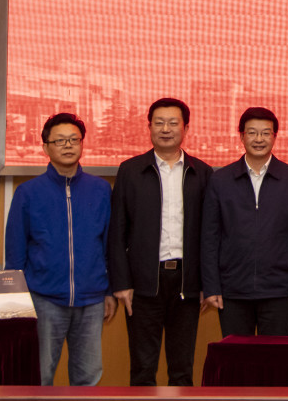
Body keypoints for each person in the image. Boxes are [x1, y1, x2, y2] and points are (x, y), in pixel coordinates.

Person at [5, 112, 116, 386]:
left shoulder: (101, 190)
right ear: (45, 147)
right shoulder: (28, 193)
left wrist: (109, 292)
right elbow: (15, 251)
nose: (67, 145)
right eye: (59, 140)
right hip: (43, 300)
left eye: (73, 140)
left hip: (91, 300)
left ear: (82, 144)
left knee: (88, 378)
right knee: (39, 377)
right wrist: (17, 302)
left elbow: (110, 246)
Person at [108, 98, 212, 386]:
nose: (166, 129)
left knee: (182, 368)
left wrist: (208, 283)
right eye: (159, 123)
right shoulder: (130, 170)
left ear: (185, 128)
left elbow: (210, 234)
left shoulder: (202, 173)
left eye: (173, 123)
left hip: (187, 282)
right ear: (149, 127)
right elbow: (117, 231)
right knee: (143, 368)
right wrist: (121, 283)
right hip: (143, 283)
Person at [201, 107, 288, 337]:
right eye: (252, 132)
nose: (258, 139)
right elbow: (210, 238)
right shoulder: (221, 180)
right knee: (237, 357)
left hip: (280, 291)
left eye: (265, 133)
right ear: (241, 136)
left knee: (276, 357)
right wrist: (211, 286)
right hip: (232, 291)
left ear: (274, 137)